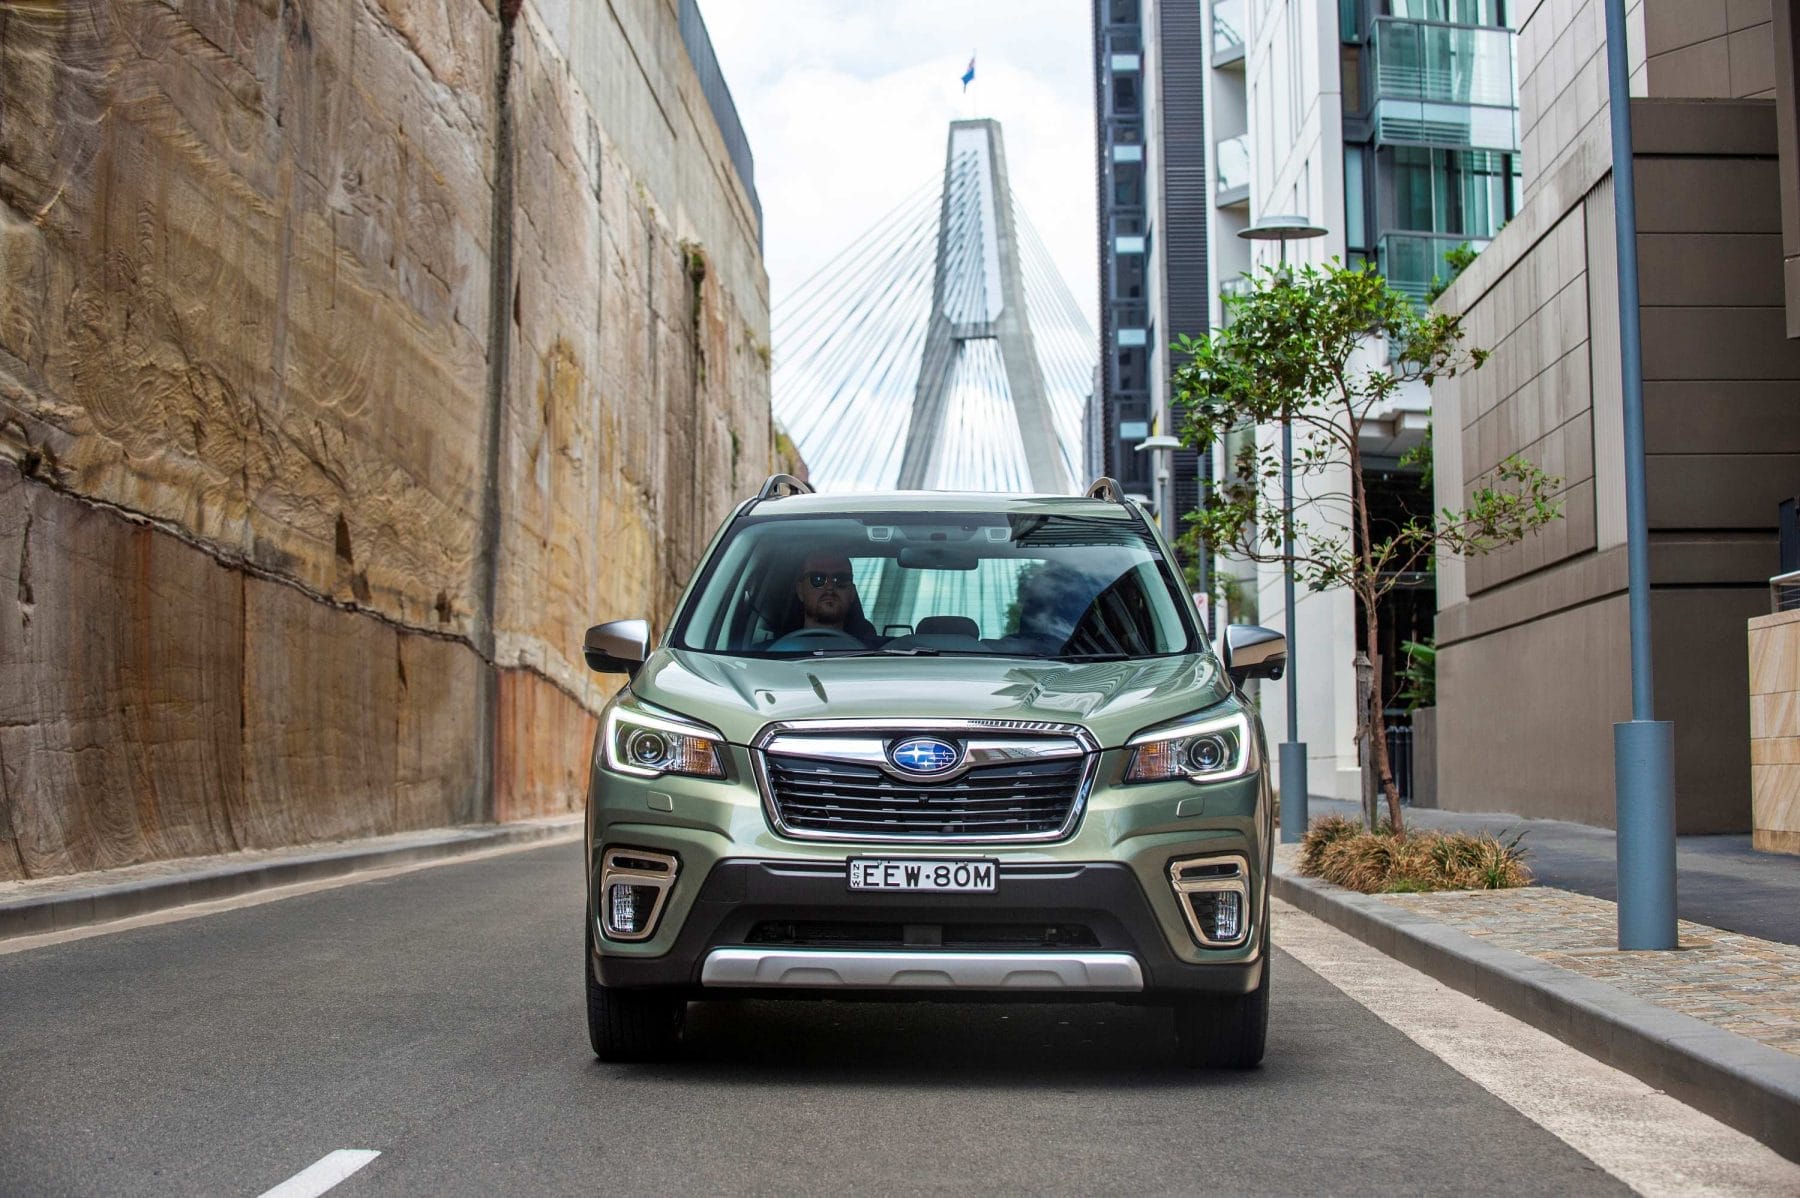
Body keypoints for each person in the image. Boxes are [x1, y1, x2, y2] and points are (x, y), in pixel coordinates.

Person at [794, 551, 860, 633]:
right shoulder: (776, 646)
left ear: (852, 593)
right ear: (800, 591)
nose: (830, 587)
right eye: (817, 579)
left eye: (841, 579)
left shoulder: (872, 645)